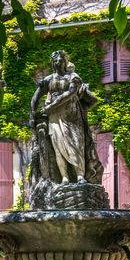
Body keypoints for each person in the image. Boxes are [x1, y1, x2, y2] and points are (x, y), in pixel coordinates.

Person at [30, 50, 101, 185]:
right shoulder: (48, 80)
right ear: (52, 63)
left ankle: (80, 175)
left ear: (65, 62)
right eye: (56, 60)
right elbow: (35, 97)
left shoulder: (73, 77)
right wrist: (32, 114)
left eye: (61, 60)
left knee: (76, 143)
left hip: (72, 115)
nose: (58, 63)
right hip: (55, 117)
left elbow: (71, 93)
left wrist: (50, 107)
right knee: (58, 146)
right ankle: (65, 177)